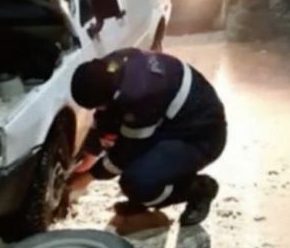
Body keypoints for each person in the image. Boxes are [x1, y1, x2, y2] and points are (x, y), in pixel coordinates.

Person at [67, 48, 225, 227]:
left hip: (200, 136)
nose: (99, 109)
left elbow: (127, 152)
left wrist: (90, 176)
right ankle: (148, 189)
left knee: (137, 182)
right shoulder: (110, 68)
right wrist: (91, 153)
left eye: (99, 105)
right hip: (172, 119)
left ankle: (197, 189)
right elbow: (105, 116)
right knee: (129, 153)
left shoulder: (141, 94)